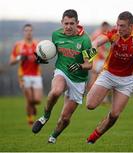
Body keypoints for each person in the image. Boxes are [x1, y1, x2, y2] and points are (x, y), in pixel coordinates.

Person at [86, 11, 133, 144]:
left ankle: (93, 138)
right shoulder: (114, 31)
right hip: (108, 74)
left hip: (127, 80)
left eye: (122, 26)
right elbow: (97, 41)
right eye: (118, 25)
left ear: (131, 26)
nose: (119, 28)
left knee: (114, 115)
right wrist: (92, 48)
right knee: (90, 105)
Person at [32, 9, 97, 144]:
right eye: (65, 23)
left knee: (65, 118)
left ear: (77, 23)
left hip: (79, 80)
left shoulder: (86, 40)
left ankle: (53, 137)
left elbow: (90, 65)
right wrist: (41, 57)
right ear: (62, 22)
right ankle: (45, 117)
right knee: (55, 91)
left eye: (71, 23)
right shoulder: (56, 34)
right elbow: (52, 52)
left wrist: (79, 66)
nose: (68, 26)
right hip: (62, 71)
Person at [9, 24, 43, 126]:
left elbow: (43, 59)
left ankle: (33, 106)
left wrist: (39, 60)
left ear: (32, 32)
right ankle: (30, 119)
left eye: (30, 30)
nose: (28, 32)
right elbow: (11, 62)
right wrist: (20, 58)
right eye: (26, 30)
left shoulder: (37, 44)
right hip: (23, 75)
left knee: (36, 100)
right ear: (23, 32)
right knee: (29, 100)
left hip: (36, 75)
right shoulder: (18, 45)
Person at [88, 21, 111, 91]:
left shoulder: (109, 34)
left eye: (107, 28)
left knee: (105, 77)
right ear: (102, 27)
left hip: (105, 59)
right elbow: (91, 47)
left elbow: (109, 47)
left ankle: (104, 97)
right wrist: (91, 61)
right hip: (97, 59)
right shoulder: (96, 34)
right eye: (105, 27)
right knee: (94, 76)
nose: (106, 29)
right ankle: (90, 93)